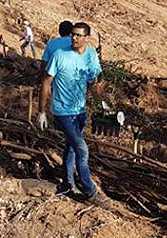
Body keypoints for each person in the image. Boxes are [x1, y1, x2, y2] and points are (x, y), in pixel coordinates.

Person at [36, 22, 107, 205]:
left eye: (78, 35)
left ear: (86, 38)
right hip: (62, 110)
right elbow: (46, 82)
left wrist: (102, 100)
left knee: (72, 147)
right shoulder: (60, 55)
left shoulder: (91, 54)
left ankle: (68, 184)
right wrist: (41, 111)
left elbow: (94, 81)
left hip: (80, 109)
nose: (74, 38)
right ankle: (90, 192)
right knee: (82, 148)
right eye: (72, 35)